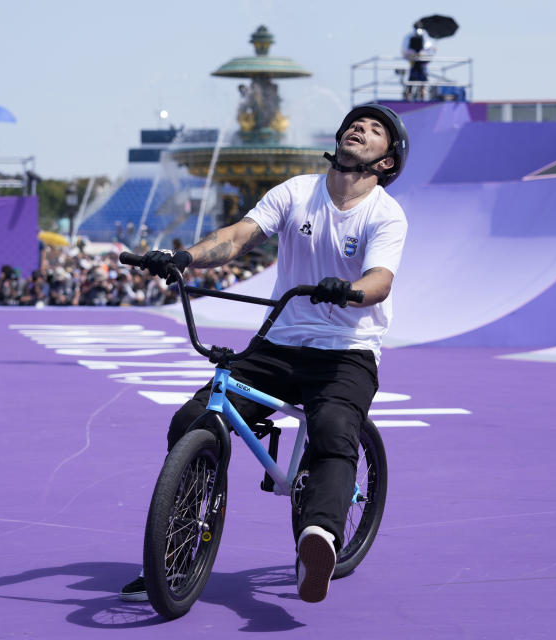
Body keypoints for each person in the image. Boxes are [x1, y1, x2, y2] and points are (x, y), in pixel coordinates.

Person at [119, 103, 409, 604]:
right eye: (355, 124)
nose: (359, 128)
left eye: (375, 129)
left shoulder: (386, 213)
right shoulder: (297, 191)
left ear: (386, 161)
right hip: (279, 345)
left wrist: (353, 290)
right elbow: (237, 237)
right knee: (193, 418)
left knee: (334, 432)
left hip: (346, 351)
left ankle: (318, 541)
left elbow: (381, 280)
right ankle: (176, 548)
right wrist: (182, 258)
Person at [401, 21, 436, 101]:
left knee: (422, 84)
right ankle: (408, 97)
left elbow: (429, 51)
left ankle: (422, 98)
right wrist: (412, 54)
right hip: (414, 64)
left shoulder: (426, 38)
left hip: (422, 64)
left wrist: (425, 53)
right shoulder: (409, 37)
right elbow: (405, 50)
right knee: (411, 82)